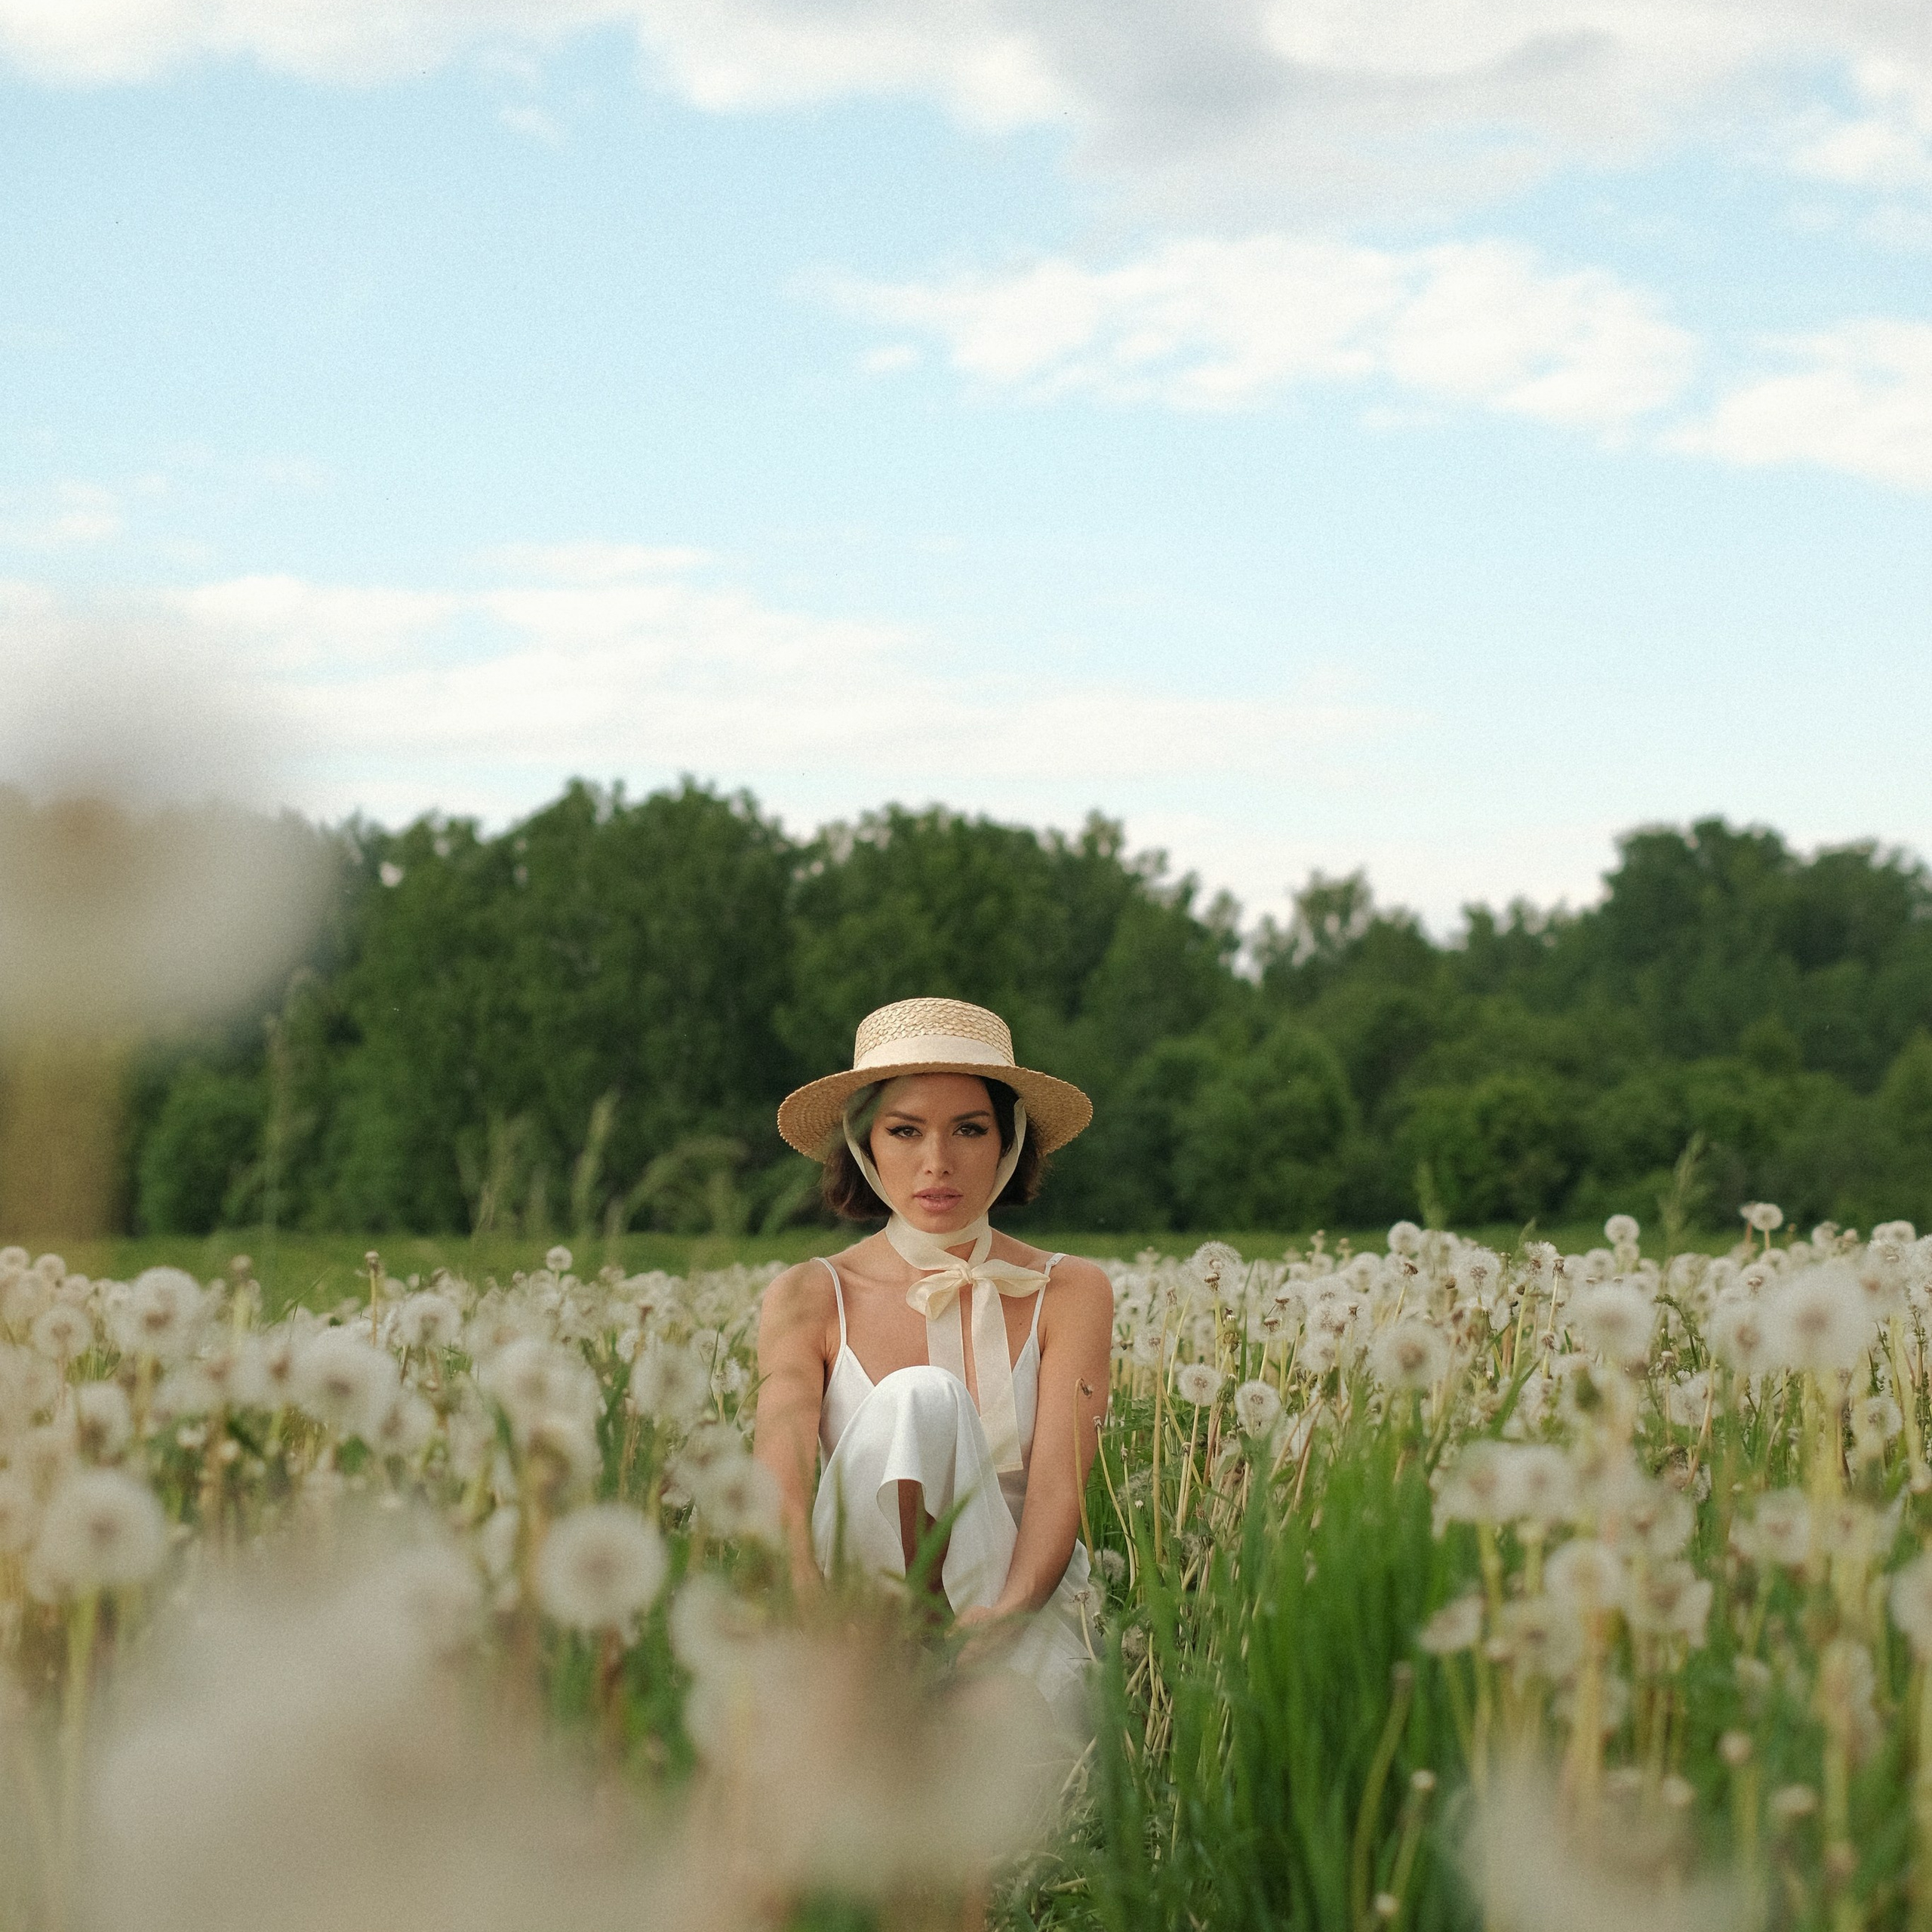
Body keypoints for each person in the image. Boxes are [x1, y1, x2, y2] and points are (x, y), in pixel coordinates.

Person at [753, 996, 1113, 1740]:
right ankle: (887, 1679)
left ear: (1009, 1140)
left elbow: (1055, 1487)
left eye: (969, 1129)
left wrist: (1004, 1620)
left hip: (1021, 1593)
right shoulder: (807, 1295)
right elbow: (779, 1498)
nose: (936, 1162)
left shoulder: (1071, 1289)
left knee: (993, 1753)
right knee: (919, 1395)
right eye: (905, 1129)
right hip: (859, 1616)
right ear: (864, 1144)